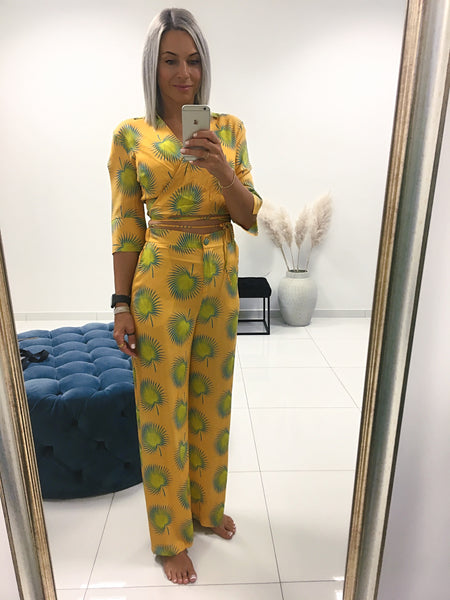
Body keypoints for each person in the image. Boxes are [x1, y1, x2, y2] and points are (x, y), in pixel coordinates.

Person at [108, 7, 262, 585]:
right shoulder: (131, 135)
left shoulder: (230, 129)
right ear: (153, 66)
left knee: (212, 399)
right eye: (170, 61)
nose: (184, 74)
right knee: (161, 408)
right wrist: (121, 304)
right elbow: (126, 225)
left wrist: (223, 170)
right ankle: (170, 536)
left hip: (220, 276)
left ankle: (205, 508)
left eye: (194, 61)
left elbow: (250, 216)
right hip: (159, 283)